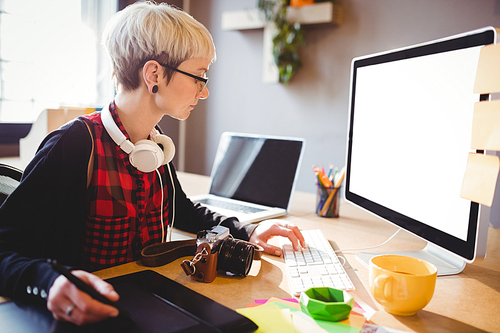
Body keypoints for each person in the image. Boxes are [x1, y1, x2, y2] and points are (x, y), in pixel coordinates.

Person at [0, 1, 305, 326]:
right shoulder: (74, 145)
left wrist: (248, 231)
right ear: (154, 74)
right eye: (199, 77)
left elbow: (184, 210)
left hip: (151, 297)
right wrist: (49, 282)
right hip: (93, 312)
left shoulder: (154, 144)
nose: (204, 93)